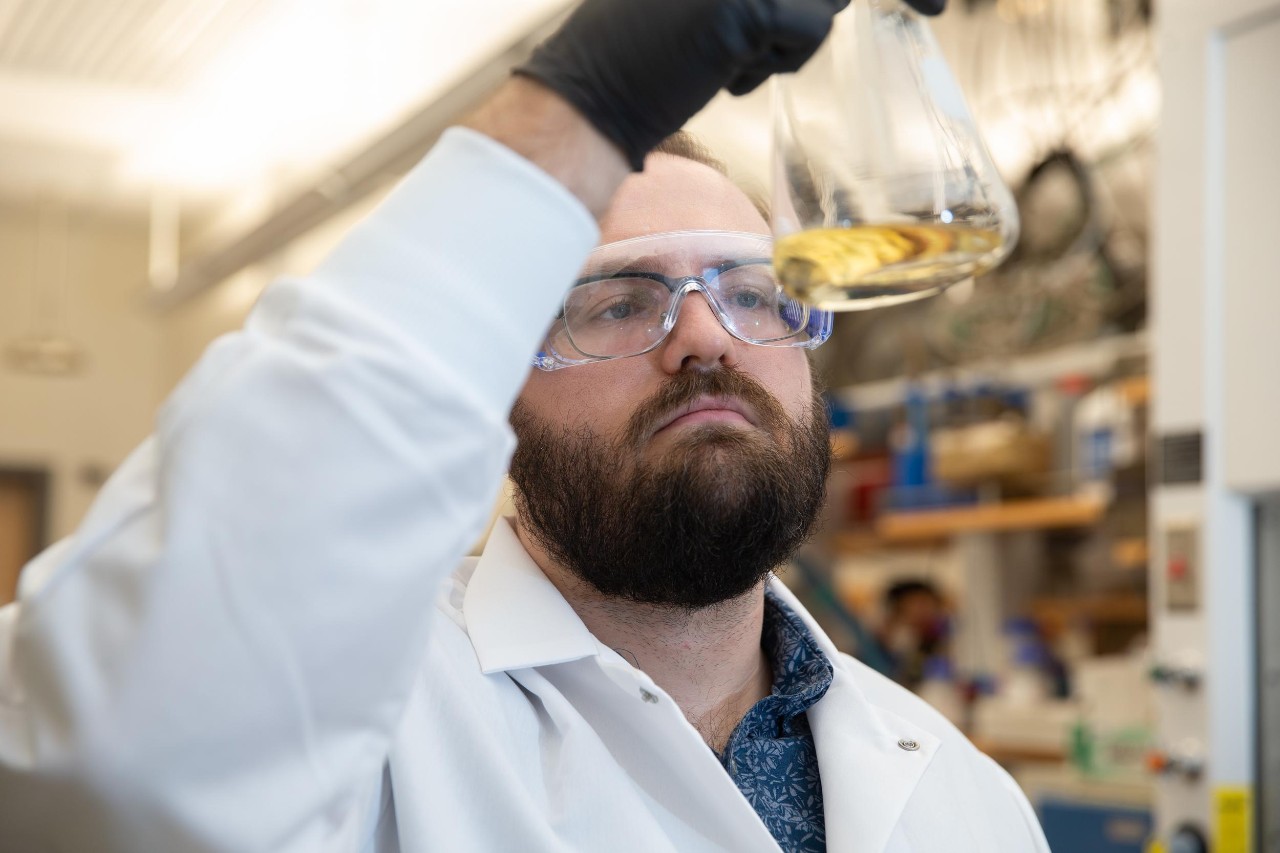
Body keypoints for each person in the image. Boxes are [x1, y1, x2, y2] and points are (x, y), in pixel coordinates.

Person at [0, 0, 1050, 850]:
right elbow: (107, 766)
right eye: (614, 302)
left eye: (755, 291)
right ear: (487, 383)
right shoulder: (360, 732)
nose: (705, 341)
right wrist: (574, 111)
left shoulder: (967, 800)